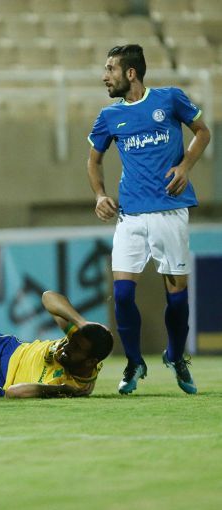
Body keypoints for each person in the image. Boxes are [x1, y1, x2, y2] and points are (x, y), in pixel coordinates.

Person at [86, 44, 210, 395]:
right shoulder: (109, 116)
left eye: (110, 69)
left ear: (131, 73)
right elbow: (94, 160)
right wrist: (100, 195)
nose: (104, 76)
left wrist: (184, 167)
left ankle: (176, 355)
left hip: (170, 211)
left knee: (177, 295)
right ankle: (134, 361)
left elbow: (202, 132)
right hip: (130, 215)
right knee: (123, 294)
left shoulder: (169, 99)